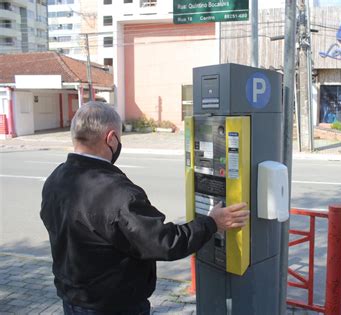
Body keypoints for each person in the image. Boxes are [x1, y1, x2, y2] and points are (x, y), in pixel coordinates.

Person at [40, 101, 249, 315]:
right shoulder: (117, 193)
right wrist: (212, 222)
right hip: (114, 306)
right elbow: (165, 242)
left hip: (73, 300)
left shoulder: (56, 179)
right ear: (111, 138)